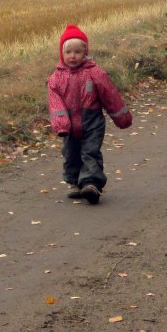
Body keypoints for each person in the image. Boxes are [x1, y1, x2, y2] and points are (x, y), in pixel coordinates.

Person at [47, 24, 132, 204]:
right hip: (68, 124)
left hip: (92, 121)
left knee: (90, 151)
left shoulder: (95, 73)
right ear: (62, 53)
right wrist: (61, 123)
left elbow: (110, 96)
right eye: (68, 52)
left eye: (77, 52)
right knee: (70, 153)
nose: (73, 56)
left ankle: (91, 183)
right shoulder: (56, 78)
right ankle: (74, 182)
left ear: (85, 52)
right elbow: (56, 104)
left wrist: (122, 117)